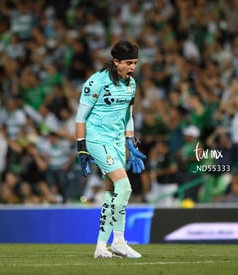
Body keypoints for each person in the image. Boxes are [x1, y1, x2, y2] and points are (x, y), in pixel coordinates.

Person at [75, 40, 145, 259]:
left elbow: (128, 116)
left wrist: (131, 144)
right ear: (116, 62)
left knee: (112, 192)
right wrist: (82, 147)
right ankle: (120, 241)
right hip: (97, 139)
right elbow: (80, 117)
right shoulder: (96, 82)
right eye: (128, 63)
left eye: (135, 62)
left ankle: (100, 247)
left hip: (116, 141)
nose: (132, 67)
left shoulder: (131, 84)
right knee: (124, 187)